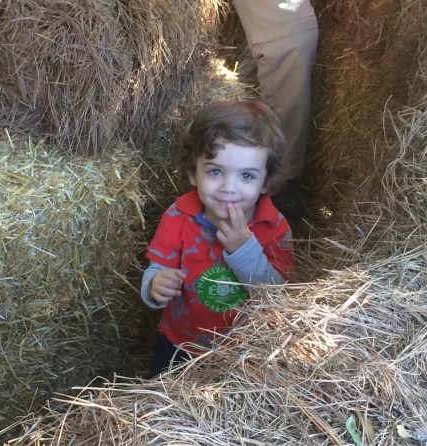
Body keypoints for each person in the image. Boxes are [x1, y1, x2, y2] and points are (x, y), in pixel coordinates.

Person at [141, 100, 295, 378]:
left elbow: (279, 297)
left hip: (245, 354)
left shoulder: (274, 227)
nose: (228, 188)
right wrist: (154, 286)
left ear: (266, 183)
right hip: (178, 345)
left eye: (246, 175)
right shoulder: (178, 217)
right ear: (192, 173)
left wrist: (243, 250)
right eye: (215, 171)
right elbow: (157, 270)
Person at [232, 0, 319, 218]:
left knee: (284, 114)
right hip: (283, 31)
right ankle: (275, 185)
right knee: (285, 47)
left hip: (282, 31)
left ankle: (274, 186)